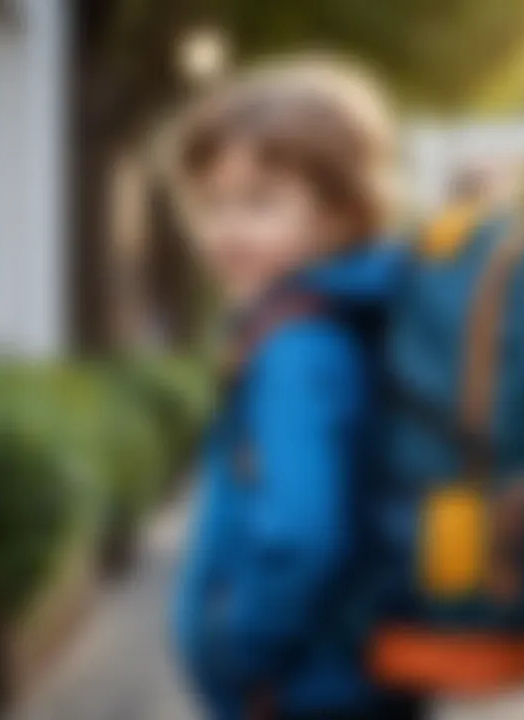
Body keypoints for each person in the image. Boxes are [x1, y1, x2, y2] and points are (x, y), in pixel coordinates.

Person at [171, 60, 423, 720]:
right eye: (212, 202)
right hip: (355, 673)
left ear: (341, 213)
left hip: (299, 687)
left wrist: (240, 651)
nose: (226, 229)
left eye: (259, 201)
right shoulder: (350, 319)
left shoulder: (296, 347)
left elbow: (299, 533)